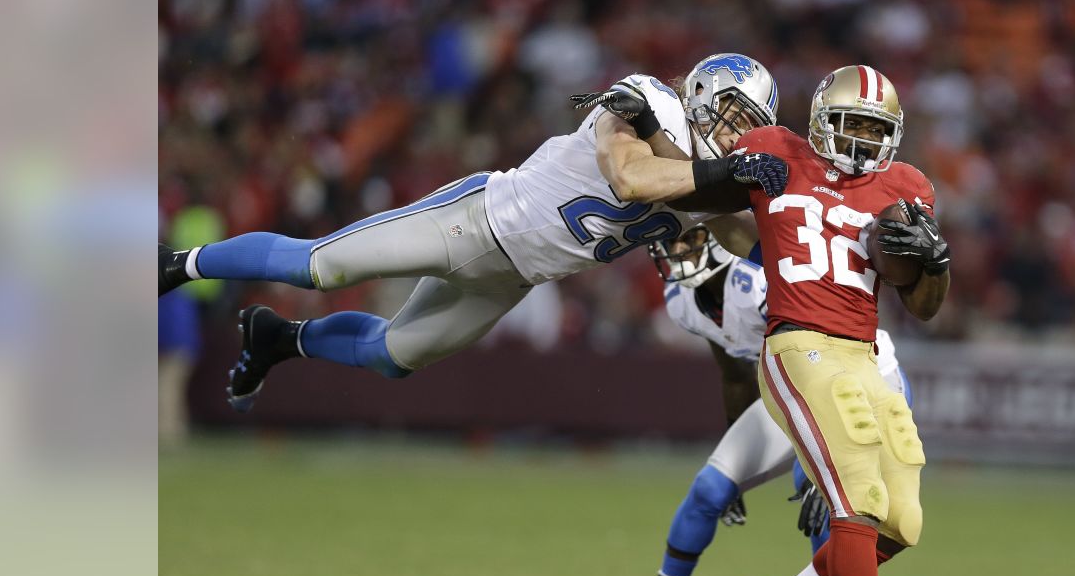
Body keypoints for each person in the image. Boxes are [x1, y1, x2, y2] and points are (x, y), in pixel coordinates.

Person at [157, 54, 788, 412]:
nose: (738, 135)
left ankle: (280, 338)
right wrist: (722, 172)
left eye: (749, 126)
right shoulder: (652, 98)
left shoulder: (714, 185)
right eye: (734, 114)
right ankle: (176, 264)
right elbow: (629, 178)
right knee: (321, 266)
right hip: (474, 221)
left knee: (393, 357)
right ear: (703, 92)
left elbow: (756, 240)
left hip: (510, 278)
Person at [682, 65, 948, 576]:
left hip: (862, 353)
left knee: (901, 518)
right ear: (821, 120)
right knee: (857, 497)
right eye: (850, 123)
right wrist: (727, 179)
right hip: (798, 341)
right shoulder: (774, 149)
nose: (859, 140)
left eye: (873, 129)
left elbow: (925, 304)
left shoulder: (906, 186)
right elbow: (697, 192)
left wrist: (934, 261)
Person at [597, 223, 913, 576]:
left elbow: (839, 354)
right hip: (789, 393)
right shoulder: (682, 299)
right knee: (710, 490)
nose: (676, 250)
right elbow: (734, 369)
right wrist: (737, 454)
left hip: (861, 384)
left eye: (689, 238)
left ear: (719, 238)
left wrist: (827, 461)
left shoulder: (758, 281)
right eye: (669, 242)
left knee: (824, 494)